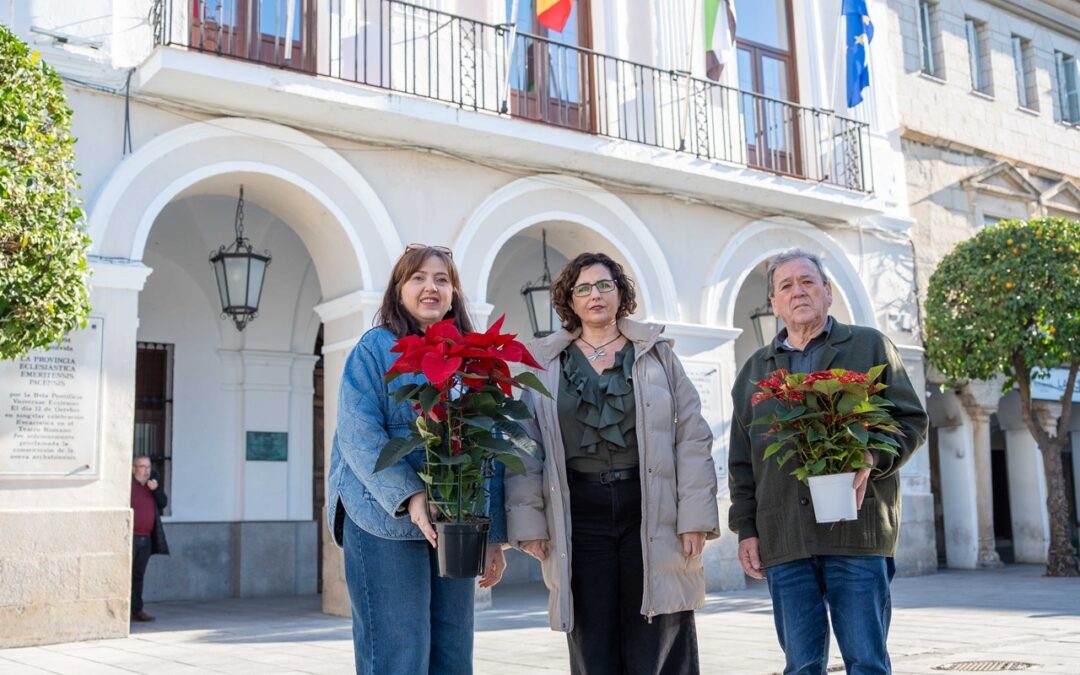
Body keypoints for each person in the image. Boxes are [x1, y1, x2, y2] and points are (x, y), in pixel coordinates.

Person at [506, 252, 719, 675]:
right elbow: (525, 445)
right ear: (569, 300)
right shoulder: (544, 364)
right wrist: (528, 523)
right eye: (582, 288)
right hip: (579, 514)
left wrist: (695, 516)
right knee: (592, 638)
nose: (595, 295)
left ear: (621, 293)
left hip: (651, 504)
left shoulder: (656, 353)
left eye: (605, 285)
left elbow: (691, 433)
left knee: (659, 629)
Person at [728, 249, 929, 675]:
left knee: (867, 663)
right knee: (801, 666)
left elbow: (910, 420)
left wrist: (872, 457)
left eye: (807, 281)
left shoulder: (869, 346)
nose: (798, 291)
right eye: (786, 285)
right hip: (785, 538)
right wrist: (746, 530)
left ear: (828, 292)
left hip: (857, 532)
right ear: (774, 303)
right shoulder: (754, 371)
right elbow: (742, 462)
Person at [327, 244, 507, 675]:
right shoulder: (375, 348)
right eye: (418, 278)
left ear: (454, 294)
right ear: (399, 290)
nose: (431, 287)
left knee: (452, 653)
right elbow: (358, 432)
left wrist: (494, 534)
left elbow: (489, 445)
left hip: (457, 523)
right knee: (397, 654)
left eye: (442, 279)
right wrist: (410, 495)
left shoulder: (470, 358)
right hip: (382, 521)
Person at [130, 455, 168, 623]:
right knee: (125, 575)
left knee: (138, 575)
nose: (146, 470)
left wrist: (156, 490)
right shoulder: (128, 487)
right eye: (142, 466)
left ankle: (137, 609)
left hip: (146, 539)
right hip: (129, 537)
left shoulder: (152, 486)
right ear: (133, 469)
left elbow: (163, 504)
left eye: (148, 467)